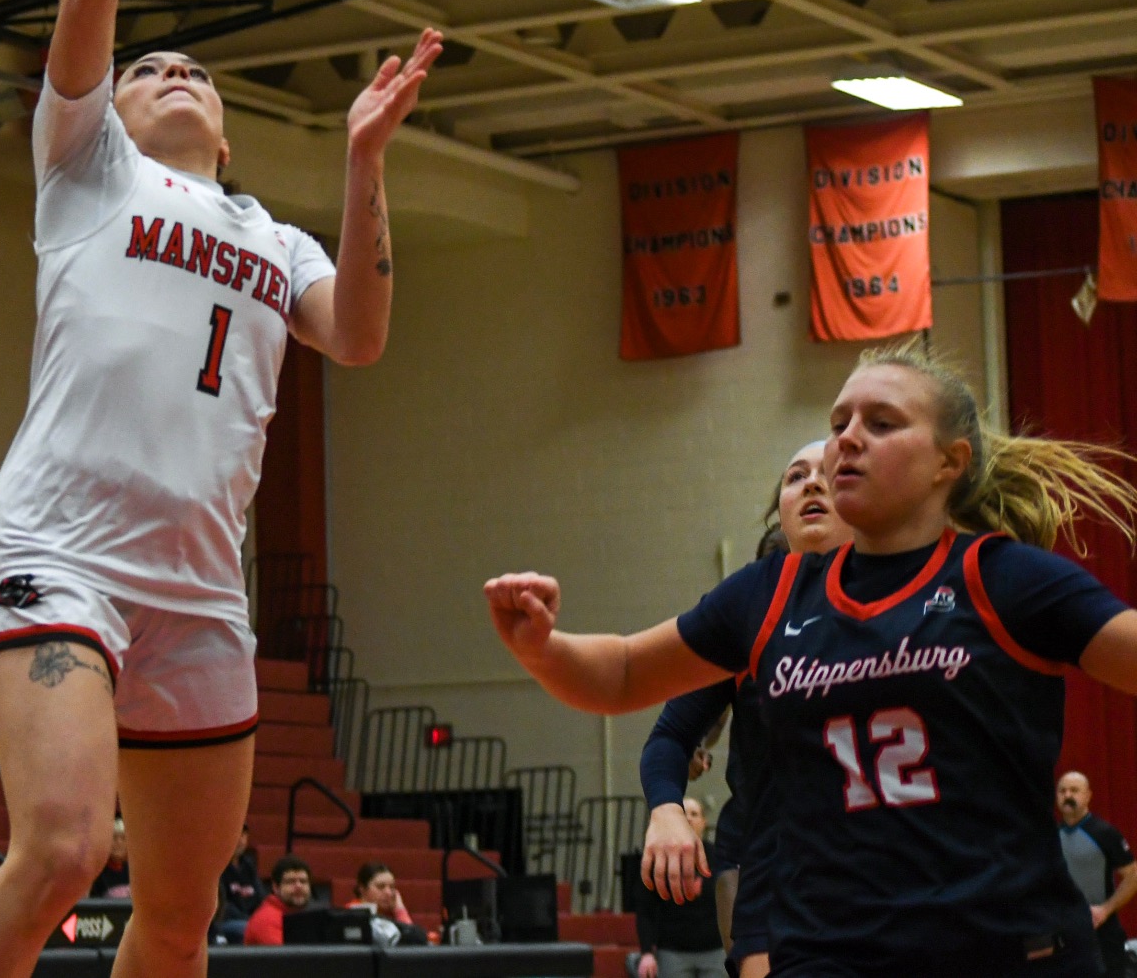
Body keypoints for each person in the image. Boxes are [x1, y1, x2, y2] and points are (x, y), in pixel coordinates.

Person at [0, 0, 439, 978]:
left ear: (222, 124)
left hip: (204, 595)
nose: (168, 73)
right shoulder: (89, 168)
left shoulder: (277, 242)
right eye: (148, 65)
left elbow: (368, 337)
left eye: (192, 70)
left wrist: (367, 162)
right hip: (62, 552)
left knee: (174, 918)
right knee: (55, 852)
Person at [486, 340, 1137, 978]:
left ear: (949, 462)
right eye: (838, 423)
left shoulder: (1005, 580)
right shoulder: (768, 593)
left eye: (881, 423)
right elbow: (626, 670)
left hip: (1003, 948)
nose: (848, 438)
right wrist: (543, 647)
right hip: (830, 947)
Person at [638, 441, 856, 978]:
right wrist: (666, 806)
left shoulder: (912, 597)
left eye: (827, 473)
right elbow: (669, 727)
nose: (811, 482)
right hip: (768, 857)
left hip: (886, 859)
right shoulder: (748, 611)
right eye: (795, 475)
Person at [631, 799, 725, 978]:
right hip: (672, 951)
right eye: (683, 814)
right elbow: (645, 910)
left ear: (704, 822)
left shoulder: (718, 856)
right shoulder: (657, 858)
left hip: (715, 950)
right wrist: (646, 953)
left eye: (694, 814)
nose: (688, 818)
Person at [1057, 771, 1137, 977]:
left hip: (1102, 933)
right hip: (1065, 932)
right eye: (1062, 791)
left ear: (1088, 795)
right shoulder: (1052, 837)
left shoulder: (1104, 833)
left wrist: (1106, 909)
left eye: (1074, 790)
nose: (1067, 796)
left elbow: (1133, 875)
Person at [244, 856, 315, 946]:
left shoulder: (304, 915)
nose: (298, 886)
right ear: (276, 887)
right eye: (290, 882)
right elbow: (288, 958)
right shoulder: (267, 919)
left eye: (303, 881)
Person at [352, 862, 426, 946]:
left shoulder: (392, 916)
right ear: (362, 889)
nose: (388, 893)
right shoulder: (352, 915)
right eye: (380, 887)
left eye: (392, 887)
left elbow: (413, 942)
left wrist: (399, 910)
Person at [215, 825, 263, 944]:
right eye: (236, 834)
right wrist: (251, 921)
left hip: (250, 919)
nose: (240, 840)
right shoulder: (217, 867)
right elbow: (223, 905)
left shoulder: (248, 865)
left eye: (243, 835)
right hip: (226, 921)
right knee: (248, 929)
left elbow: (260, 896)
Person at [92, 819, 130, 898]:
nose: (119, 842)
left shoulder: (136, 871)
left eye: (123, 838)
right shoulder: (96, 871)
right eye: (114, 838)